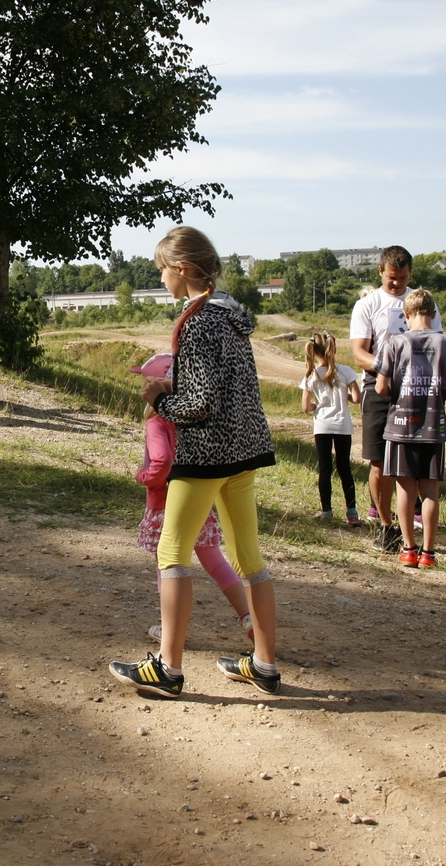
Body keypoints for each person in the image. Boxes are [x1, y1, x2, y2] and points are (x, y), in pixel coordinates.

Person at [108, 226, 278, 700]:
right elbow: (224, 388)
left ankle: (168, 668)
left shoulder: (198, 321)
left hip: (205, 454)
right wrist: (173, 386)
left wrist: (159, 403)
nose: (160, 277)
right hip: (245, 451)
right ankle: (264, 664)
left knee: (172, 553)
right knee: (249, 559)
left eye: (162, 269)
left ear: (181, 270)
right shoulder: (230, 316)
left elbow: (201, 404)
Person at [136, 349, 252, 642]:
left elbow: (161, 461)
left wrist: (146, 477)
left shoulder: (156, 422)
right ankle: (249, 617)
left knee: (169, 564)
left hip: (166, 504)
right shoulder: (189, 418)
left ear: (160, 386)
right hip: (197, 500)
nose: (142, 387)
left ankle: (169, 631)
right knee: (215, 561)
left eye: (146, 381)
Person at [349, 246, 442, 553]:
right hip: (379, 384)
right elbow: (359, 353)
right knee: (379, 462)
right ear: (381, 272)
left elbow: (436, 342)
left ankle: (410, 530)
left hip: (415, 386)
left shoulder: (422, 302)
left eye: (402, 278)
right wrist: (387, 367)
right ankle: (385, 525)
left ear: (410, 274)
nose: (396, 284)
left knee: (415, 462)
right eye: (391, 278)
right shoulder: (368, 304)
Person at [373, 289, 446, 569]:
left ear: (406, 315)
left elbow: (380, 387)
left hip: (401, 425)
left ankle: (408, 549)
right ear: (434, 314)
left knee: (405, 490)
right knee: (430, 491)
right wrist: (434, 396)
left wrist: (401, 393)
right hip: (433, 425)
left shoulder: (394, 342)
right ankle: (429, 553)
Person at [300, 332, 361, 525]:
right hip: (342, 425)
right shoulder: (345, 371)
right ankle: (352, 512)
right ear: (333, 349)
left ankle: (326, 511)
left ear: (314, 352)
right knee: (345, 468)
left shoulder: (311, 375)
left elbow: (305, 407)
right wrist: (346, 398)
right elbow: (357, 398)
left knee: (325, 468)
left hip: (322, 425)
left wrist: (316, 406)